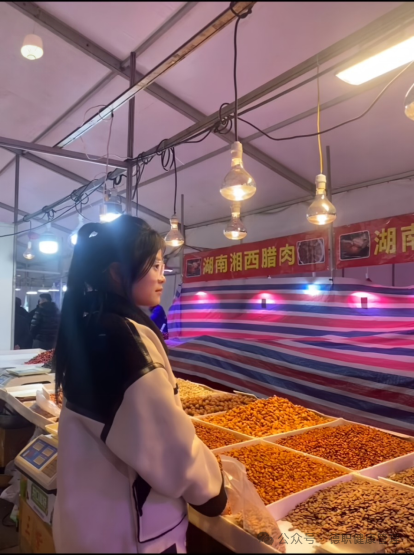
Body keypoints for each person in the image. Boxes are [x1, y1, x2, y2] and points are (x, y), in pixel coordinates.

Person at [52, 216, 226, 554]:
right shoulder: (121, 338)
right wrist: (213, 493)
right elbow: (171, 450)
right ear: (118, 273)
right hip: (128, 533)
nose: (162, 276)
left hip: (89, 523)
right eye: (155, 265)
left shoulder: (91, 323)